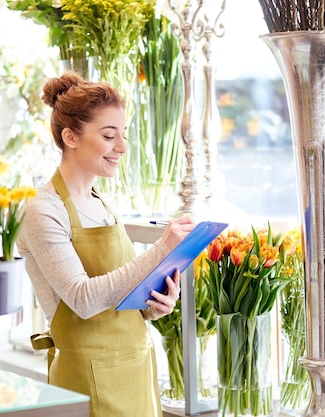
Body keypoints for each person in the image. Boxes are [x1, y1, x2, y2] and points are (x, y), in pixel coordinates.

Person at [16, 72, 197, 417]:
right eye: (109, 136)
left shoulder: (103, 204)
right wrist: (162, 248)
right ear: (70, 137)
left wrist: (152, 305)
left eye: (123, 135)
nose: (122, 148)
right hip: (85, 379)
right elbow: (83, 300)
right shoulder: (42, 210)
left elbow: (118, 295)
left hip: (137, 372)